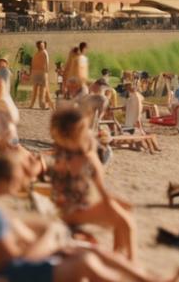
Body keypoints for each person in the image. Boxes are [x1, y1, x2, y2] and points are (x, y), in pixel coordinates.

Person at [0, 153, 179, 282]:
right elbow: (10, 265)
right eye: (17, 179)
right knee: (85, 261)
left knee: (89, 249)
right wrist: (50, 239)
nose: (20, 185)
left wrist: (55, 238)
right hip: (18, 274)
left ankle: (152, 280)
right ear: (3, 181)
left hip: (25, 267)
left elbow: (22, 237)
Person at [48, 108, 137, 260]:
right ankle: (130, 262)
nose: (87, 132)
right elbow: (100, 187)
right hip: (70, 211)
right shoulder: (73, 158)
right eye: (83, 129)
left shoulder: (69, 151)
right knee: (125, 222)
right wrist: (92, 156)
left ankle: (117, 255)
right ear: (73, 133)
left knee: (126, 209)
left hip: (76, 204)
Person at [27, 41, 52, 110]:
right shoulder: (44, 52)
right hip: (42, 72)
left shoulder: (36, 54)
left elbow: (32, 64)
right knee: (42, 91)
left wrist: (31, 73)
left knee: (35, 90)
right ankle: (42, 105)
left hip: (35, 72)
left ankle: (31, 105)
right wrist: (47, 73)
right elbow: (47, 63)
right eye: (42, 45)